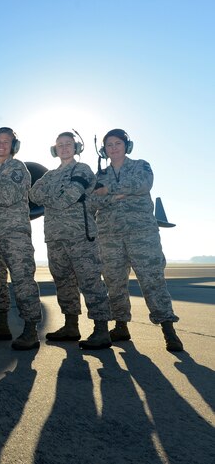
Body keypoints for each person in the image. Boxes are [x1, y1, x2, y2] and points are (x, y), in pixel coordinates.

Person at [90, 128, 183, 351]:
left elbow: (143, 184)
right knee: (114, 284)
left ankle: (169, 331)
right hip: (110, 237)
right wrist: (117, 194)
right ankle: (121, 326)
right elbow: (93, 202)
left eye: (118, 143)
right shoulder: (99, 176)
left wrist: (109, 191)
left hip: (142, 235)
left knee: (152, 281)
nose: (113, 148)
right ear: (104, 150)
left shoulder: (140, 165)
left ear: (126, 146)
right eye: (109, 145)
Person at [29, 131, 111, 350]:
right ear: (54, 150)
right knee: (63, 282)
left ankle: (101, 330)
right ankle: (71, 326)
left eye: (68, 144)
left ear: (76, 148)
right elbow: (33, 195)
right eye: (60, 145)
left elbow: (70, 196)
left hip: (79, 236)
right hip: (55, 237)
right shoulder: (49, 175)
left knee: (90, 281)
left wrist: (50, 197)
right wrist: (53, 195)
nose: (64, 147)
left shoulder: (82, 170)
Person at [0, 127, 42, 350]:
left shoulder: (18, 168)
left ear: (14, 146)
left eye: (7, 141)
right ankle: (1, 324)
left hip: (15, 235)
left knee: (23, 281)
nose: (1, 145)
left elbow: (7, 195)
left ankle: (31, 329)